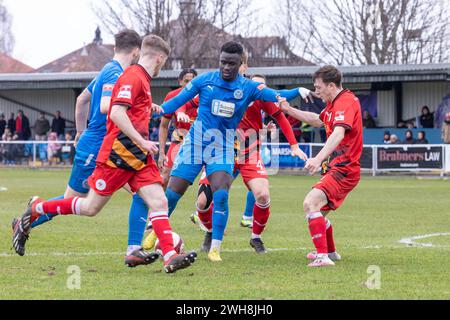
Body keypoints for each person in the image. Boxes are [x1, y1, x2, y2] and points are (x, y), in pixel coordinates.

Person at [12, 34, 197, 274]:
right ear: (160, 58)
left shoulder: (140, 78)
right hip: (117, 154)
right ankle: (38, 208)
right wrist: (141, 138)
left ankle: (169, 255)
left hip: (137, 157)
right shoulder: (131, 76)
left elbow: (91, 102)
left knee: (158, 200)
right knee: (90, 207)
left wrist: (144, 110)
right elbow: (116, 112)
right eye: (166, 62)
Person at [146, 41, 310, 262]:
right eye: (223, 62)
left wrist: (298, 90)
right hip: (195, 143)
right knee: (174, 191)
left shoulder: (248, 88)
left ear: (240, 64)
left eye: (231, 64)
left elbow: (276, 94)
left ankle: (215, 248)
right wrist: (157, 109)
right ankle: (156, 230)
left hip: (222, 147)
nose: (226, 67)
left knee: (221, 193)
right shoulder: (204, 80)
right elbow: (175, 102)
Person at [279, 65, 363, 267]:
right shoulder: (335, 103)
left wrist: (317, 159)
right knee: (318, 211)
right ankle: (330, 252)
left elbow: (338, 133)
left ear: (331, 85)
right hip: (339, 167)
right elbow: (317, 120)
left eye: (318, 87)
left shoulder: (345, 102)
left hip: (344, 168)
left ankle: (323, 257)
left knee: (310, 203)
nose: (316, 92)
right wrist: (289, 110)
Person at [157, 68, 199, 190]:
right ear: (180, 82)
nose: (189, 84)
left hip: (202, 139)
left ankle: (203, 208)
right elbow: (164, 126)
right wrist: (161, 153)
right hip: (180, 137)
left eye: (192, 81)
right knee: (164, 177)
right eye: (186, 81)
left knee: (208, 181)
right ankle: (158, 207)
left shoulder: (205, 95)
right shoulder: (172, 96)